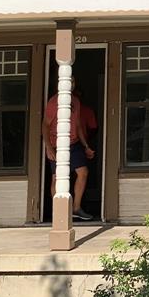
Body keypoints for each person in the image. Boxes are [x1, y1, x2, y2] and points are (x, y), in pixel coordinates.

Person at [43, 77, 95, 221]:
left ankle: (76, 208)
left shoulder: (75, 101)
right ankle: (58, 212)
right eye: (68, 81)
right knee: (56, 178)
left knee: (83, 172)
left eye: (73, 81)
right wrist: (48, 147)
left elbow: (77, 125)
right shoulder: (54, 102)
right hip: (57, 144)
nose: (71, 84)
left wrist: (86, 146)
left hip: (74, 142)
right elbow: (45, 125)